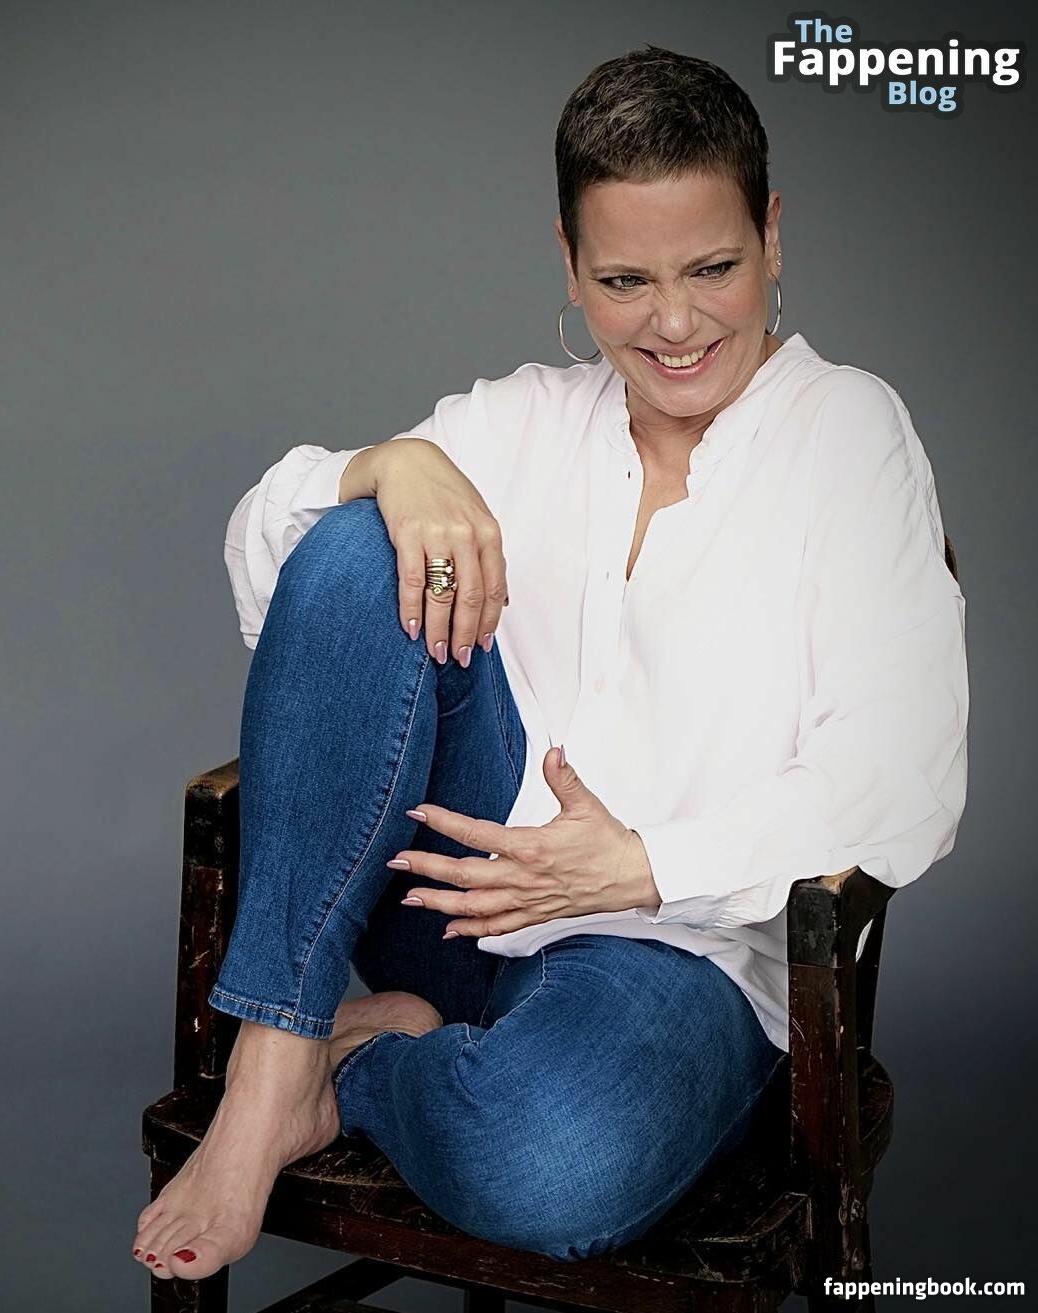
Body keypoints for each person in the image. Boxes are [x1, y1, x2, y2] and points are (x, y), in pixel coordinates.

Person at [132, 44, 968, 1282]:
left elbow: (906, 778)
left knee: (550, 1157)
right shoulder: (521, 416)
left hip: (681, 962)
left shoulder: (849, 434)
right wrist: (388, 467)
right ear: (570, 263)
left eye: (714, 268)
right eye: (625, 279)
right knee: (360, 542)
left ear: (774, 234)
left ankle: (363, 1064)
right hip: (455, 902)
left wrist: (640, 865)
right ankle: (275, 1061)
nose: (675, 323)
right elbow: (281, 567)